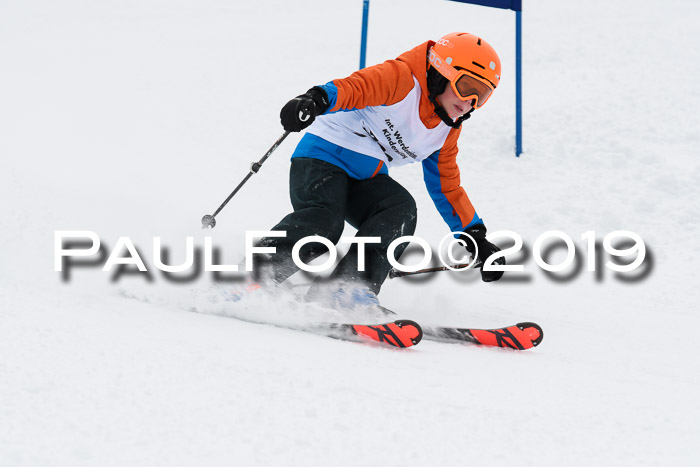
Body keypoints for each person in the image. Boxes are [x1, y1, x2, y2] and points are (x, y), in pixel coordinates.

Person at [254, 32, 505, 308]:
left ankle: (345, 290)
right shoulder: (403, 79)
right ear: (441, 72)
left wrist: (475, 236)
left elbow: (446, 186)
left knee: (400, 209)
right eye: (465, 86)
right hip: (323, 155)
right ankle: (256, 274)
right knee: (326, 219)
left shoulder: (447, 129)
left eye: (481, 95)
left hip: (367, 176)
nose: (469, 101)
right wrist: (316, 100)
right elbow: (357, 87)